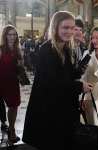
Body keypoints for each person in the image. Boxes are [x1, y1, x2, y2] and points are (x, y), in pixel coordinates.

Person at [22, 11, 93, 150]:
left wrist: (79, 70)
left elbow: (66, 75)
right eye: (65, 27)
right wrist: (79, 86)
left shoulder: (66, 48)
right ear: (55, 28)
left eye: (72, 28)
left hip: (63, 106)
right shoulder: (47, 49)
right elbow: (52, 83)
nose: (70, 31)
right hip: (49, 109)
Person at [0, 25, 22, 143]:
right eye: (10, 34)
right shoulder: (1, 49)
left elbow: (19, 67)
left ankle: (12, 129)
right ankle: (5, 124)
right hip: (1, 81)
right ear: (5, 36)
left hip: (13, 82)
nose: (12, 37)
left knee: (14, 106)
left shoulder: (17, 49)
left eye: (14, 34)